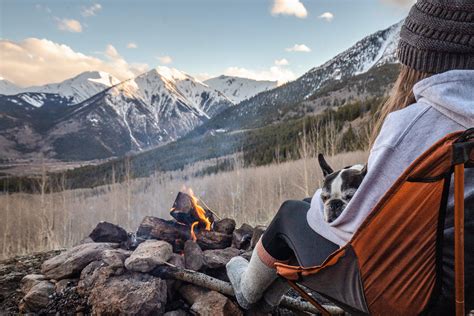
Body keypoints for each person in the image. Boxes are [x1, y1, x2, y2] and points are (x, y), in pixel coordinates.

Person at [226, 0, 474, 313]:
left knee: (291, 213)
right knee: (308, 202)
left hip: (405, 293)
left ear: (420, 61)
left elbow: (356, 222)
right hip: (463, 283)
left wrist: (316, 206)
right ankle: (267, 296)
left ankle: (248, 293)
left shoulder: (417, 124)